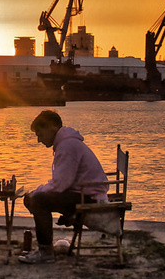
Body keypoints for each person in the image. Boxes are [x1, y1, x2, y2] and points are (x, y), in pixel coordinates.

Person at [19, 109, 110, 263]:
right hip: (84, 193)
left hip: (89, 198)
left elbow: (60, 185)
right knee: (36, 198)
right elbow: (62, 182)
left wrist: (36, 192)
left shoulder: (67, 146)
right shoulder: (67, 143)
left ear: (52, 127)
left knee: (38, 200)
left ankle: (45, 252)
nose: (39, 140)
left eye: (40, 134)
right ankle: (49, 244)